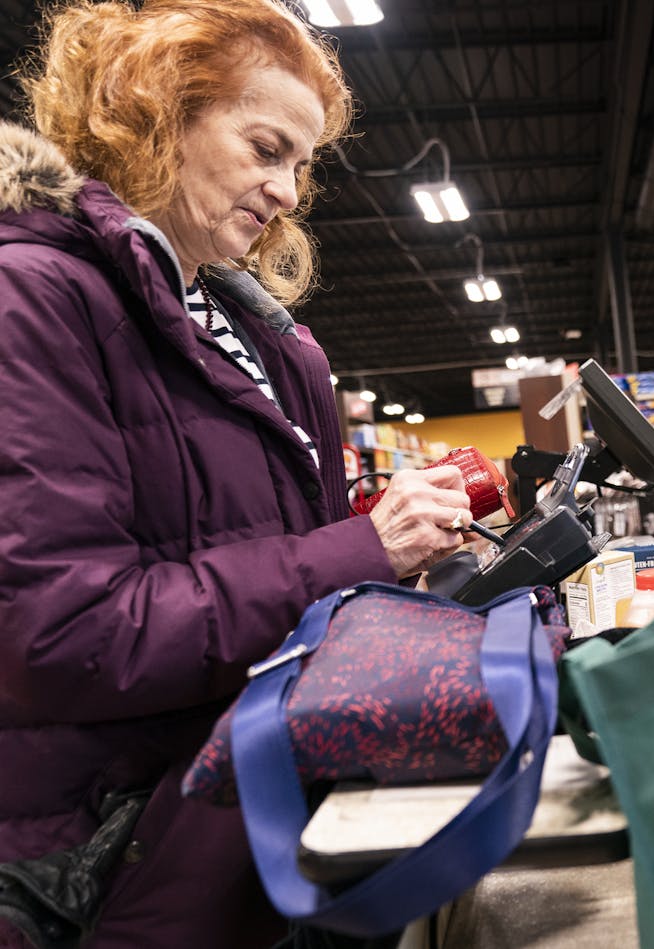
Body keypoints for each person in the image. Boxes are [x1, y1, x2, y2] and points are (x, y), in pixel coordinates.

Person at [0, 2, 481, 945]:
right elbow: (60, 630)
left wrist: (385, 548)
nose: (290, 191)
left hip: (241, 814)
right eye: (267, 148)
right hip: (101, 859)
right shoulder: (33, 298)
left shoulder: (265, 341)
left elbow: (267, 554)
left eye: (301, 163)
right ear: (152, 112)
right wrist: (360, 550)